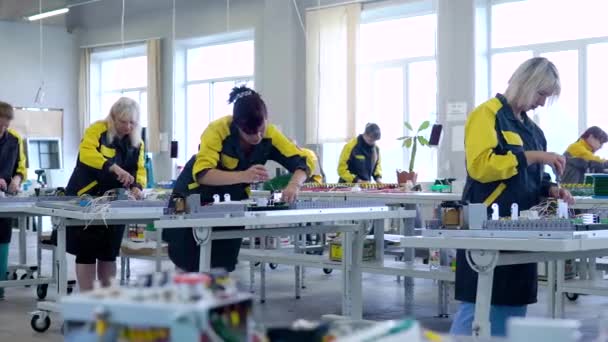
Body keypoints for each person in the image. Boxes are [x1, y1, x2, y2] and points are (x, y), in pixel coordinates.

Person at [450, 57, 574, 337]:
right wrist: (533, 156)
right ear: (526, 84)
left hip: (521, 228)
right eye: (541, 94)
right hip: (486, 224)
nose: (542, 103)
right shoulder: (487, 115)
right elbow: (480, 166)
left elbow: (536, 176)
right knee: (479, 301)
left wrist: (552, 189)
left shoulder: (533, 130)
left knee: (513, 300)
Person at [163, 86, 312, 272]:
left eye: (261, 130)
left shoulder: (271, 135)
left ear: (266, 119)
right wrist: (244, 175)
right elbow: (203, 174)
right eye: (250, 133)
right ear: (237, 125)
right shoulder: (217, 130)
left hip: (231, 201)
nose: (257, 137)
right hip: (189, 195)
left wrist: (294, 185)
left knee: (222, 263)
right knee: (187, 261)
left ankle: (217, 298)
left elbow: (304, 163)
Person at [63, 97, 146, 291]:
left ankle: (108, 297)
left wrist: (137, 187)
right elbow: (86, 154)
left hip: (115, 203)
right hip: (87, 198)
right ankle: (87, 297)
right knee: (87, 251)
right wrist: (114, 168)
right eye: (123, 122)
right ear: (113, 118)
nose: (128, 126)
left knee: (109, 252)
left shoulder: (137, 141)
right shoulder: (97, 130)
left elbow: (140, 168)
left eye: (132, 122)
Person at [0, 101, 26, 299]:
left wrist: (16, 180)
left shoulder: (15, 139)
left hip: (4, 199)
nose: (3, 127)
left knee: (3, 238)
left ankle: (0, 285)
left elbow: (21, 166)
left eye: (6, 123)